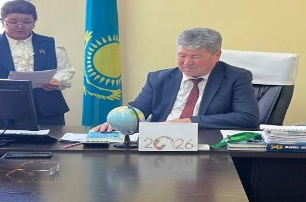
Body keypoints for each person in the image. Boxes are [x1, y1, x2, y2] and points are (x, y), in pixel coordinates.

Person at [93, 27, 259, 131]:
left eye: (195, 57)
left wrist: (189, 122)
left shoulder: (236, 77)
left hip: (206, 145)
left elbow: (247, 117)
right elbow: (138, 111)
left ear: (217, 55)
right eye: (182, 55)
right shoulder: (158, 78)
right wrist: (118, 122)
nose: (187, 63)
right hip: (159, 144)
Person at [0, 0, 76, 125]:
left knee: (51, 138)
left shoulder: (50, 43)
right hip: (2, 108)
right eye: (13, 22)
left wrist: (57, 80)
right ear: (3, 22)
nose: (20, 26)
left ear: (34, 22)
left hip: (47, 108)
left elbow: (65, 69)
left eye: (26, 22)